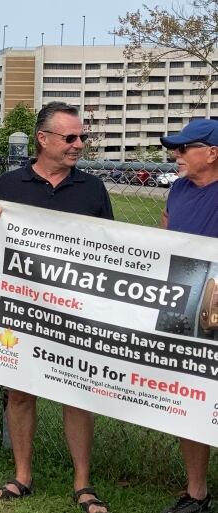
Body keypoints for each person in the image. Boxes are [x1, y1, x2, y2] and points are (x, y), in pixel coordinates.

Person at [0, 102, 113, 513]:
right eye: (70, 137)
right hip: (22, 310)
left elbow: (108, 252)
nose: (78, 145)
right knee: (20, 392)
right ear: (43, 139)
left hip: (75, 311)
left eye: (81, 137)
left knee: (79, 393)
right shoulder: (9, 185)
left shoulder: (92, 189)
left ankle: (83, 484)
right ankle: (22, 476)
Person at [157, 120, 218, 513]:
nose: (175, 156)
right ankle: (196, 494)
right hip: (182, 305)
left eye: (183, 149)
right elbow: (163, 237)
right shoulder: (178, 189)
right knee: (188, 399)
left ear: (212, 152)